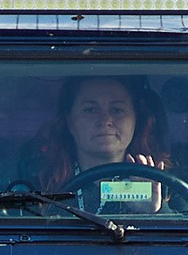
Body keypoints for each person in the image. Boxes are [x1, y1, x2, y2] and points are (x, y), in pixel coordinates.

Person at [21, 76, 169, 190]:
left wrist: (155, 211)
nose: (105, 120)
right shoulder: (43, 188)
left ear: (136, 119)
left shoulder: (164, 184)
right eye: (90, 110)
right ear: (69, 121)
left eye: (117, 110)